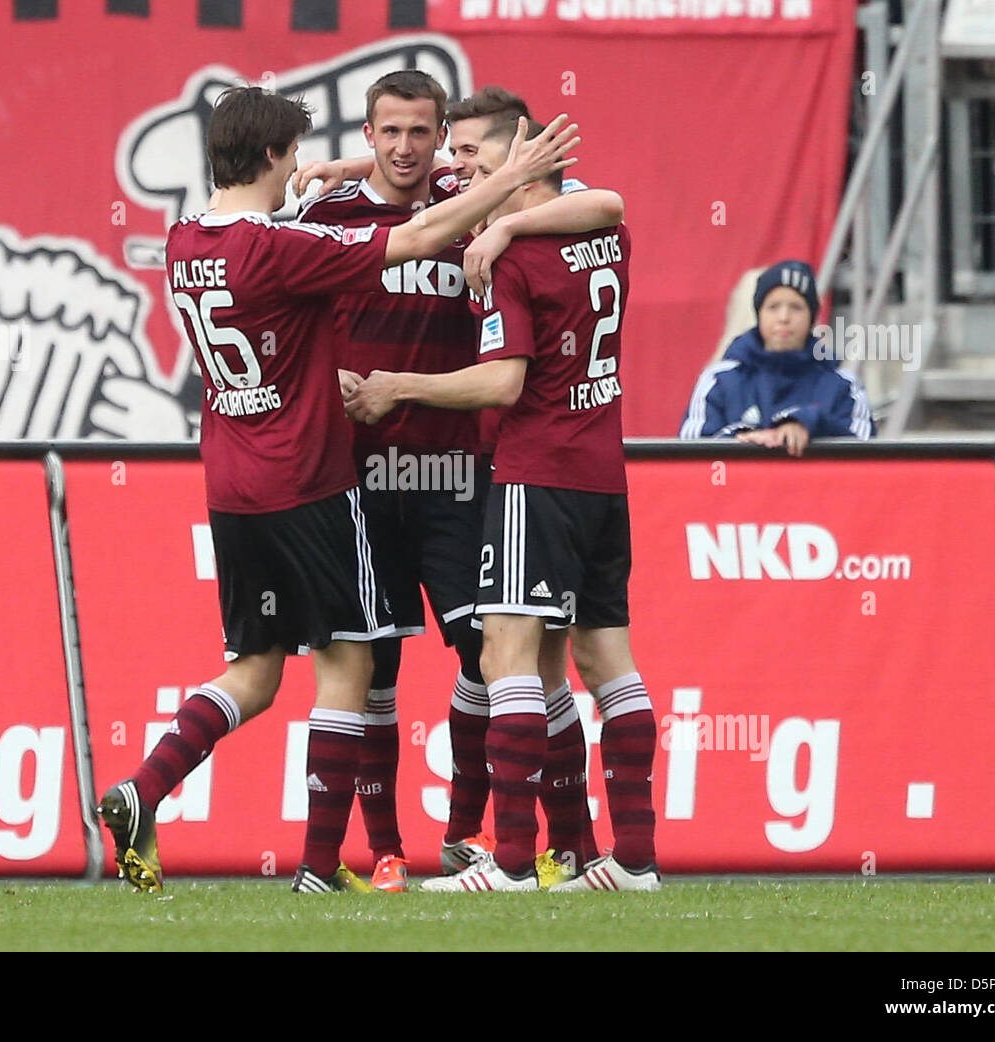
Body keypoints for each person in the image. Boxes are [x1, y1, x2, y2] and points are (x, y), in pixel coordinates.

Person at [96, 85, 579, 895]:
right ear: (273, 157)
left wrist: (366, 165)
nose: (295, 171)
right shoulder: (282, 248)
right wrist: (517, 174)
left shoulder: (184, 242)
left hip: (230, 486)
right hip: (311, 482)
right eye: (289, 155)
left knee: (254, 671)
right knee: (350, 669)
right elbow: (420, 231)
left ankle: (141, 790)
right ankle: (322, 869)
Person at [295, 79, 618, 888]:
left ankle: (478, 837)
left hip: (460, 473)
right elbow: (282, 311)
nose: (405, 148)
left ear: (442, 139)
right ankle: (386, 853)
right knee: (371, 665)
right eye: (388, 132)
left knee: (494, 656)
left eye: (421, 133)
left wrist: (503, 213)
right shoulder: (326, 218)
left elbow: (601, 203)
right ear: (370, 131)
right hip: (359, 478)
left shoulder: (467, 191)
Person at [679, 260, 875, 453]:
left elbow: (867, 453)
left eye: (796, 308)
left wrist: (810, 424)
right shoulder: (718, 379)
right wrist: (742, 440)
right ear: (759, 314)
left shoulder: (843, 385)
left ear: (812, 317)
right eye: (773, 307)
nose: (784, 318)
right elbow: (689, 449)